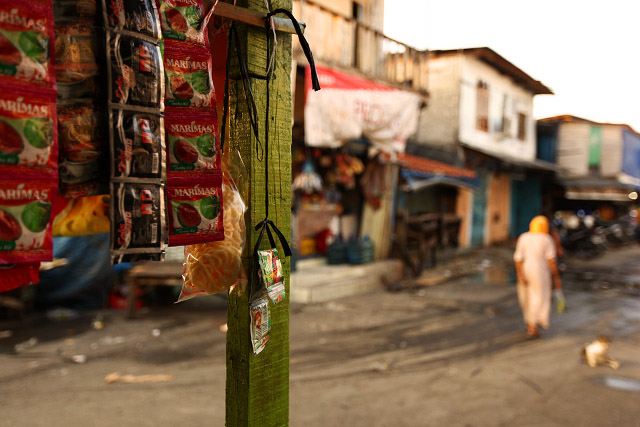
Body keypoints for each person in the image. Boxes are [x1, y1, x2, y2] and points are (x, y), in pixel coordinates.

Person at [513, 215, 563, 339]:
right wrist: (556, 278)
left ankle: (530, 322)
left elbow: (518, 258)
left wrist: (520, 275)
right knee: (539, 297)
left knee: (526, 297)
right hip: (541, 272)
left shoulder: (524, 237)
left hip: (525, 270)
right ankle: (533, 325)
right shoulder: (546, 239)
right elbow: (551, 261)